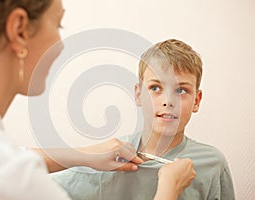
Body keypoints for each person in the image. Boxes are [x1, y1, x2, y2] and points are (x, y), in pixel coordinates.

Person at [0, 0, 196, 199]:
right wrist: (169, 189)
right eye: (58, 23)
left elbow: (0, 160)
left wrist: (81, 154)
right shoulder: (14, 180)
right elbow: (4, 168)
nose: (60, 46)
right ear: (19, 29)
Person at [53, 39, 236, 200]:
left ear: (196, 101)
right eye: (155, 88)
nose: (168, 102)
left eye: (181, 90)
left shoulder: (213, 164)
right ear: (139, 95)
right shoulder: (108, 161)